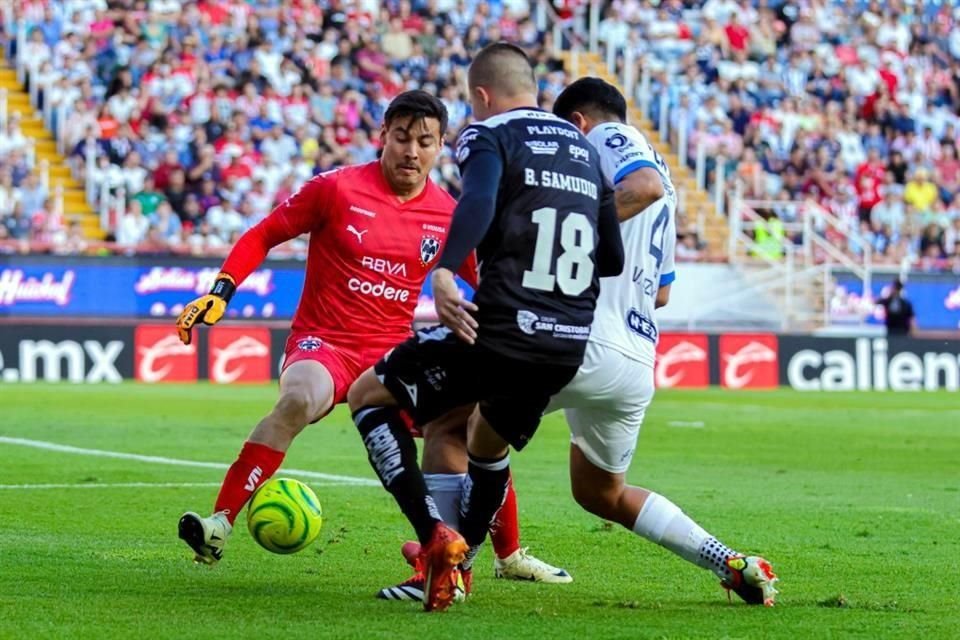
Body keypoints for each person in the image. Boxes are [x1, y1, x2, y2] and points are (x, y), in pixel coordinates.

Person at [172, 90, 546, 569]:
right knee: (298, 399)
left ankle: (508, 555)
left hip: (393, 354)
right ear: (383, 136)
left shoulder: (451, 215)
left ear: (440, 148)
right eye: (402, 137)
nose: (412, 151)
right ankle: (218, 524)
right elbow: (265, 232)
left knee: (470, 423)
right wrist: (221, 290)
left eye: (425, 141)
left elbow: (488, 282)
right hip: (325, 343)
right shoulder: (336, 188)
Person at [346, 43, 624, 612]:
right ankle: (450, 572)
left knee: (367, 394)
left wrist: (446, 268)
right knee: (484, 441)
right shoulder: (585, 149)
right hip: (566, 344)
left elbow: (474, 200)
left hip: (502, 330)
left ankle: (433, 537)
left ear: (480, 96)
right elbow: (613, 256)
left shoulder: (488, 134)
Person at [548, 77, 778, 606]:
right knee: (599, 493)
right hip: (633, 357)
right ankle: (730, 562)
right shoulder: (671, 187)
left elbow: (642, 184)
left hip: (578, 336)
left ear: (579, 122)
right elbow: (663, 294)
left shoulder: (607, 137)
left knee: (461, 429)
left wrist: (569, 233)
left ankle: (448, 565)